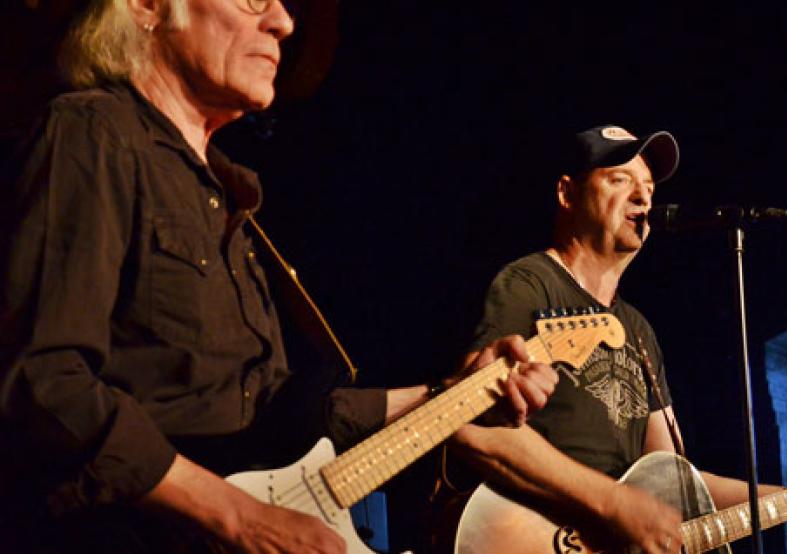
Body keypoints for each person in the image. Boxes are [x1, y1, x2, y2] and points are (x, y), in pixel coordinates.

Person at [0, 0, 557, 552]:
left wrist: (452, 394)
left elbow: (279, 414)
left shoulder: (232, 204)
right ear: (147, 6)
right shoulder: (91, 132)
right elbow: (46, 384)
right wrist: (241, 519)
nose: (284, 22)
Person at [449, 125, 787, 553]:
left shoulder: (638, 330)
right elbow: (474, 426)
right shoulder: (529, 284)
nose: (642, 196)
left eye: (649, 188)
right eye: (620, 180)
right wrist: (614, 503)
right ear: (567, 193)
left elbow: (679, 486)